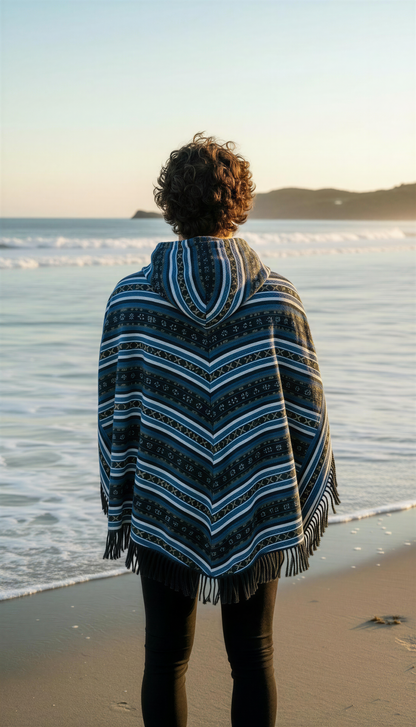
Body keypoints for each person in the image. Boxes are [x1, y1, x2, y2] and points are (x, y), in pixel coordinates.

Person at [98, 133, 340, 727]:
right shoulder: (278, 299)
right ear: (241, 203)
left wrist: (121, 493)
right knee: (253, 656)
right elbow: (309, 411)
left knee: (164, 660)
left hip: (163, 499)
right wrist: (304, 492)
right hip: (256, 498)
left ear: (169, 206)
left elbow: (115, 413)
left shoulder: (131, 300)